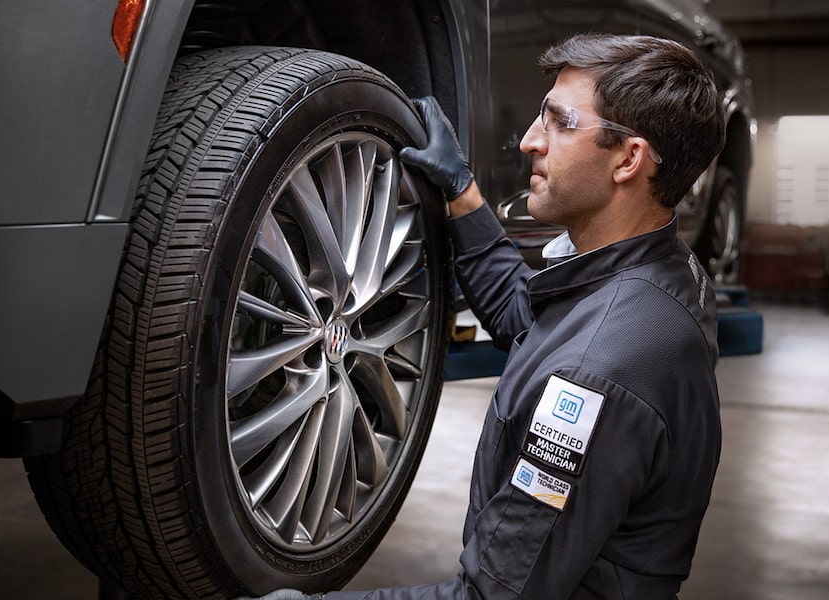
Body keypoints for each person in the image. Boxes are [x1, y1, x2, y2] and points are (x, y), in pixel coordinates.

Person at [249, 32, 726, 600]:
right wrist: (462, 193)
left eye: (559, 123)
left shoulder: (596, 378)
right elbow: (528, 319)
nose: (528, 141)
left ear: (629, 159)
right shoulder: (658, 273)